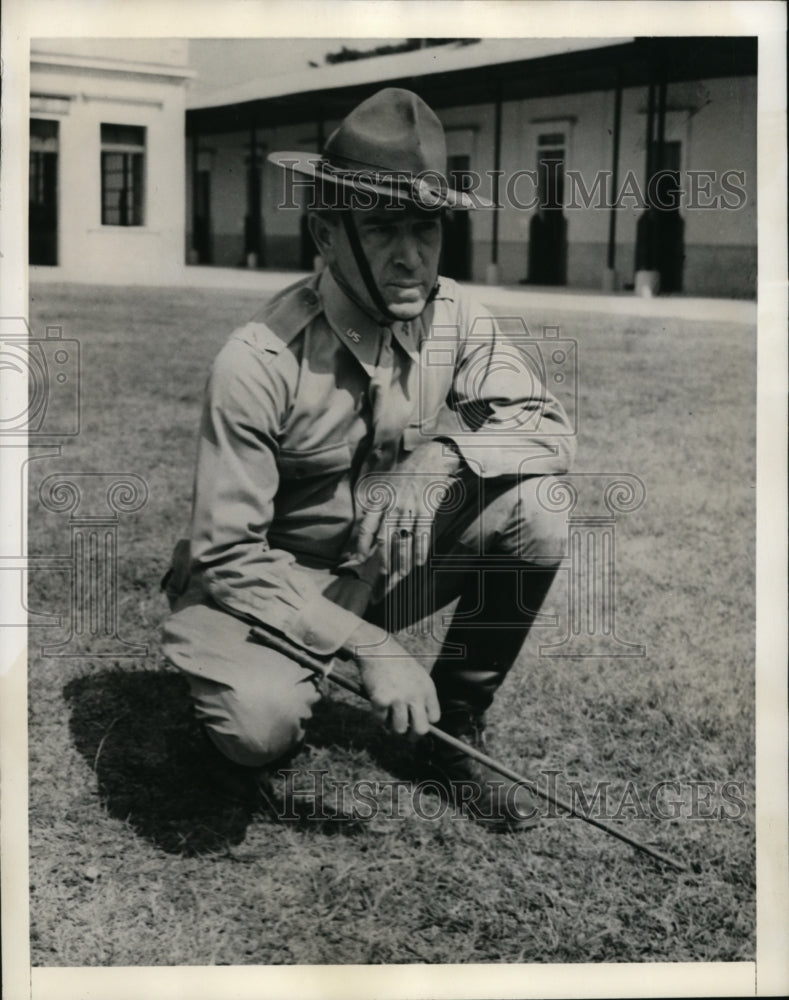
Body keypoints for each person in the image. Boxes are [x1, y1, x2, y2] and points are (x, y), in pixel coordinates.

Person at [162, 88, 576, 829]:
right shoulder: (257, 361)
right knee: (259, 728)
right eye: (383, 228)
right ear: (325, 235)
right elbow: (225, 556)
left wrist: (442, 455)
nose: (411, 255)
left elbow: (547, 427)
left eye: (426, 227)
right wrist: (370, 645)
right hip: (265, 588)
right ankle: (229, 702)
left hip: (375, 568)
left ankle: (449, 731)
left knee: (537, 509)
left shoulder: (454, 317)